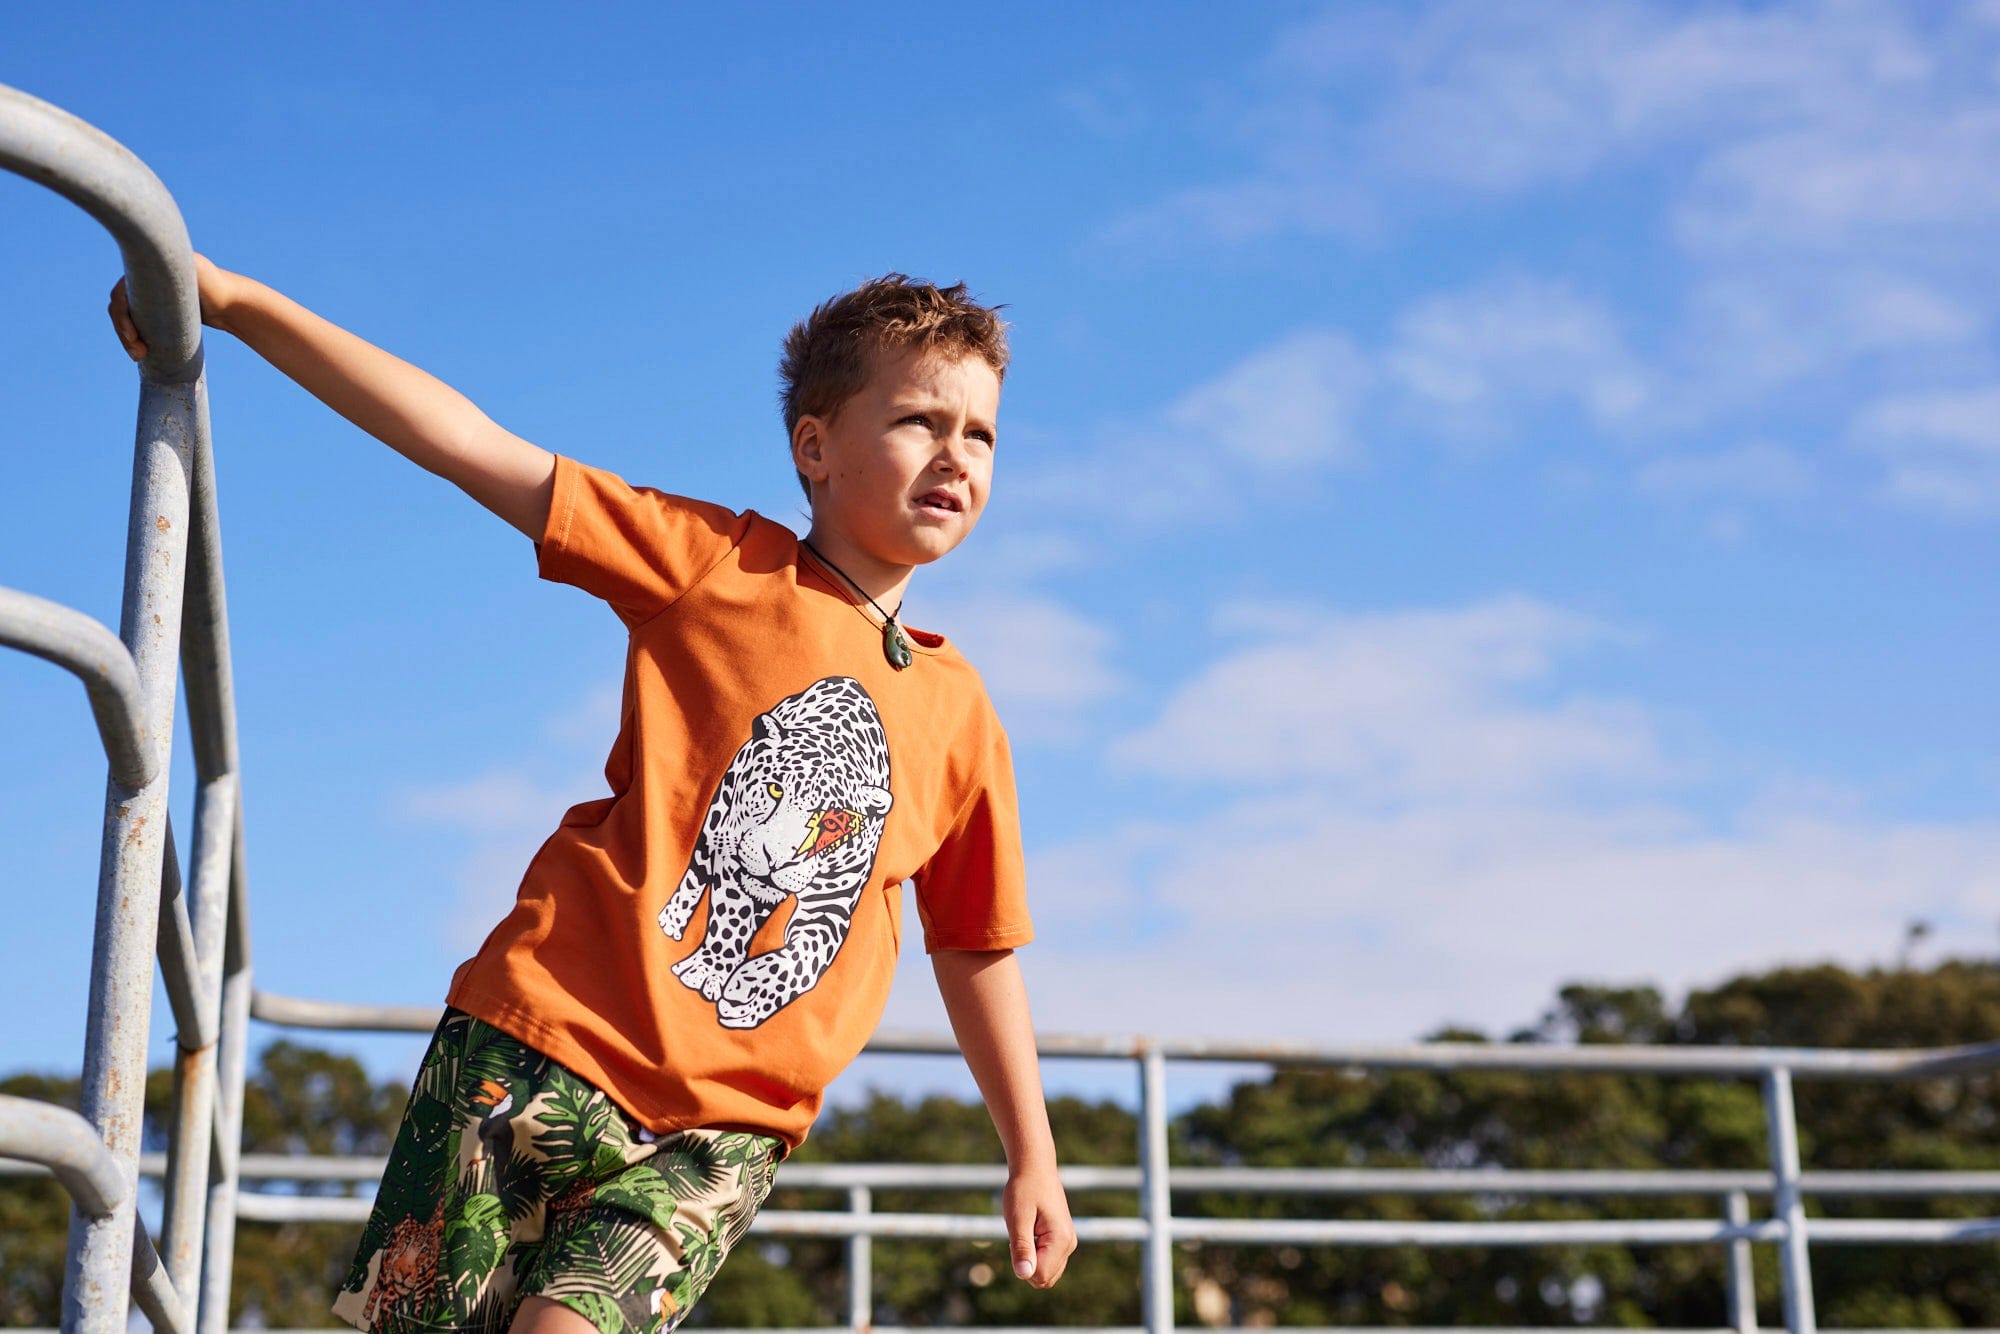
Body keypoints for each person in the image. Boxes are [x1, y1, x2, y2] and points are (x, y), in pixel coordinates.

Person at [110, 260, 1076, 1334]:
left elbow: (975, 942)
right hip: (532, 1046)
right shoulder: (714, 562)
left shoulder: (963, 712)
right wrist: (234, 302)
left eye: (980, 432)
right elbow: (471, 445)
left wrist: (1030, 1151)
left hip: (720, 1130)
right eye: (916, 420)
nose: (955, 454)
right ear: (815, 447)